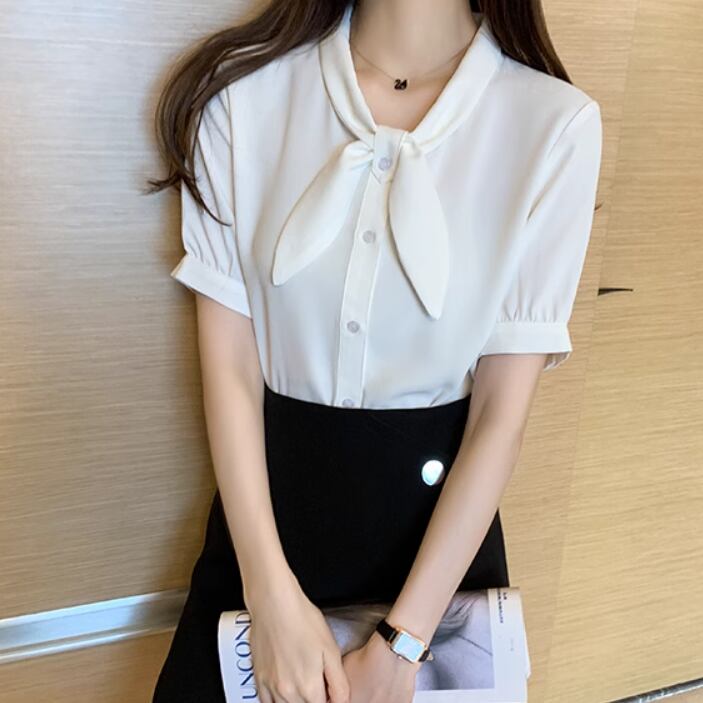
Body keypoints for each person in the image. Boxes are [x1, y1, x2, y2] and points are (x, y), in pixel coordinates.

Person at [148, 1, 603, 701]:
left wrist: (404, 643)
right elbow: (231, 371)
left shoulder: (553, 126)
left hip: (436, 567)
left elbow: (499, 419)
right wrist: (269, 596)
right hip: (265, 535)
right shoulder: (243, 99)